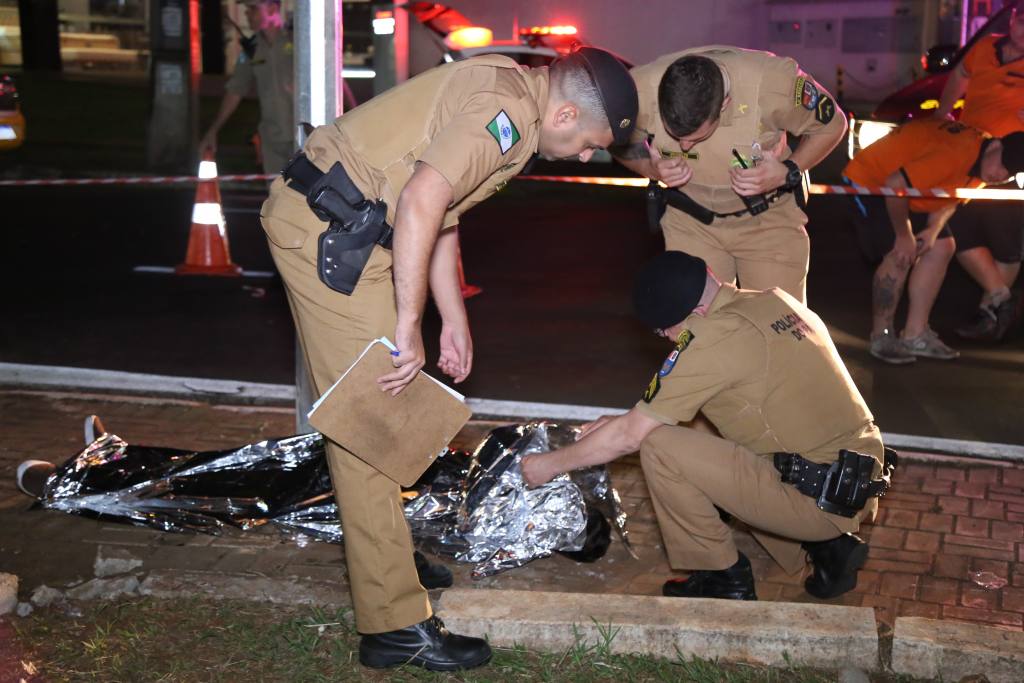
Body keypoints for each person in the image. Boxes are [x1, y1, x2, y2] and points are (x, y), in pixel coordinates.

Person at [260, 48, 637, 670]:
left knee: (390, 418)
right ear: (566, 112)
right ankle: (394, 627)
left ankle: (387, 557)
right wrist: (411, 323)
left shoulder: (516, 98)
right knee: (371, 428)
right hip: (331, 234)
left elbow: (441, 209)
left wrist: (453, 315)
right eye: (589, 143)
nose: (586, 156)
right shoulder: (506, 112)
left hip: (353, 228)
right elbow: (421, 201)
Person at [521, 251, 894, 601]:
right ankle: (827, 547)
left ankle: (723, 577)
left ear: (697, 311)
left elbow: (630, 437)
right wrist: (623, 420)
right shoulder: (774, 300)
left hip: (819, 499)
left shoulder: (711, 339)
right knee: (706, 425)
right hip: (854, 478)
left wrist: (545, 466)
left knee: (659, 447)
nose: (667, 339)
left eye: (664, 331)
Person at [614, 47, 847, 303]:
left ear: (725, 104)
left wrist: (787, 171)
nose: (684, 147)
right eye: (676, 135)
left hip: (767, 222)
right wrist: (650, 168)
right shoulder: (639, 89)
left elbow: (833, 125)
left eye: (695, 137)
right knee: (698, 330)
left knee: (777, 327)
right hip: (691, 224)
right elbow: (616, 141)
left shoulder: (774, 84)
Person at [843, 119, 1024, 364]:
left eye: (1010, 173)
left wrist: (932, 228)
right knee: (900, 255)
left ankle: (915, 334)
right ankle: (882, 335)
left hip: (913, 188)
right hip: (872, 182)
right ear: (996, 147)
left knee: (942, 246)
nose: (1000, 175)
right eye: (1004, 165)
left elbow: (952, 196)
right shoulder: (956, 153)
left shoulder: (985, 163)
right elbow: (895, 185)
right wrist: (903, 235)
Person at [936, 5, 1024, 341]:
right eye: (1022, 24)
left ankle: (989, 313)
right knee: (956, 229)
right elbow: (959, 75)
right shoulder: (986, 47)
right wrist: (943, 114)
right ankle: (1002, 299)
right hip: (969, 155)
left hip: (1012, 164)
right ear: (1013, 21)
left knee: (1006, 243)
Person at [199, 0, 294, 175]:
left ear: (272, 9)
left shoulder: (297, 41)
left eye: (253, 8)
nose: (246, 14)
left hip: (304, 138)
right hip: (272, 141)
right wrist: (214, 130)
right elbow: (236, 89)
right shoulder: (252, 48)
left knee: (308, 198)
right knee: (276, 198)